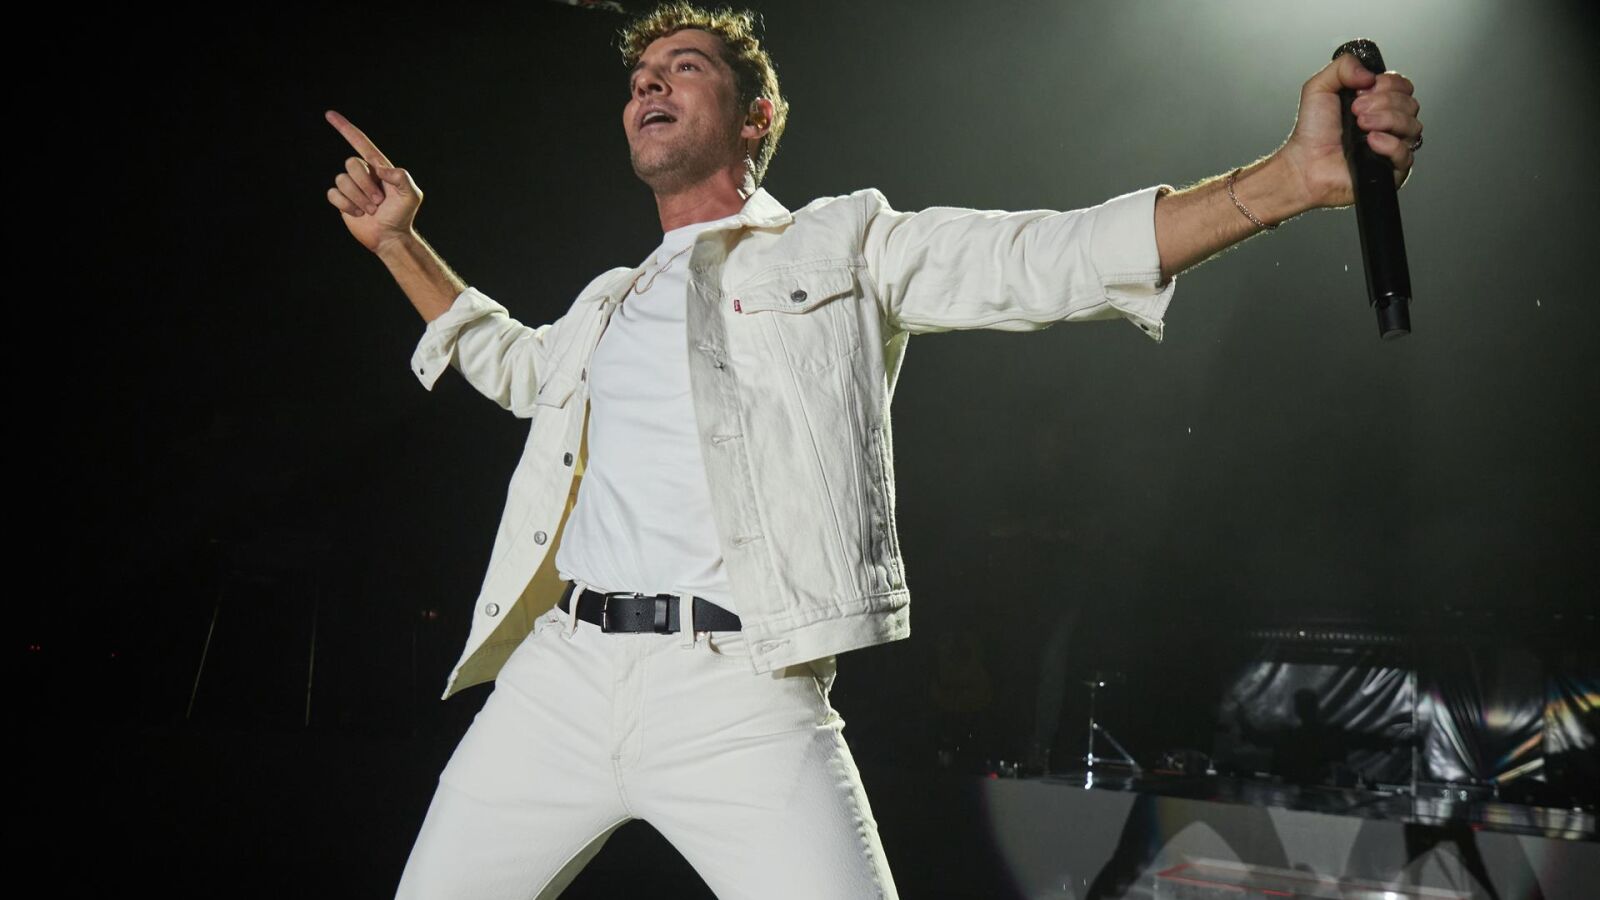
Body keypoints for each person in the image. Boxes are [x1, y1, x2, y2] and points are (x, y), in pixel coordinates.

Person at [322, 4, 1424, 898]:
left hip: (739, 691)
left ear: (755, 118)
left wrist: (1290, 180)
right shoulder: (609, 301)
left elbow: (1046, 258)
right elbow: (516, 368)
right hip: (561, 681)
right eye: (641, 76)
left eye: (684, 67)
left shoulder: (842, 243)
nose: (649, 85)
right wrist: (399, 242)